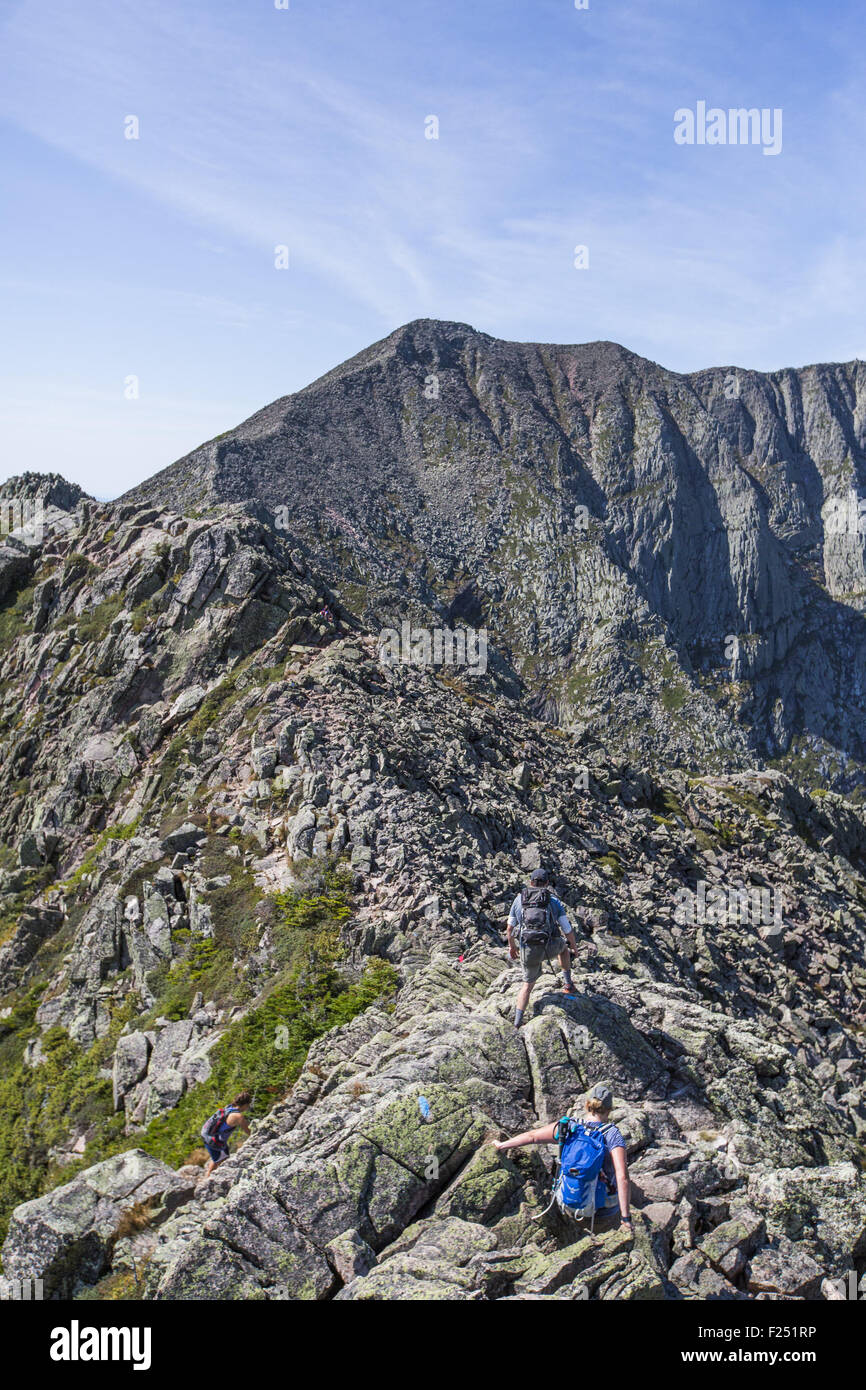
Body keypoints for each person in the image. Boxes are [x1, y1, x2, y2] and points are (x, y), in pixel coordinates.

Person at [493, 1083, 632, 1231]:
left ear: (587, 1105)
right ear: (609, 1110)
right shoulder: (611, 1134)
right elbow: (622, 1176)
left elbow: (532, 1136)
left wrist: (502, 1145)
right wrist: (625, 1217)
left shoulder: (569, 1126)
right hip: (603, 1212)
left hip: (569, 1203)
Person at [506, 867, 583, 1027]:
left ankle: (517, 1023)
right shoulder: (553, 901)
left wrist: (512, 947)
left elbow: (509, 929)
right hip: (548, 948)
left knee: (527, 986)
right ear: (547, 884)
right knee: (563, 948)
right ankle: (568, 985)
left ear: (530, 882)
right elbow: (567, 929)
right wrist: (574, 947)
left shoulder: (519, 900)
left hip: (527, 951)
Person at [201, 1091, 252, 1178]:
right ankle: (208, 1181)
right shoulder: (238, 1116)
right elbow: (249, 1131)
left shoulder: (229, 1108)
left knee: (219, 1158)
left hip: (208, 1135)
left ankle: (209, 1177)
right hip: (214, 1140)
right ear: (245, 1104)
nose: (247, 1107)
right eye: (248, 1105)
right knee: (222, 1160)